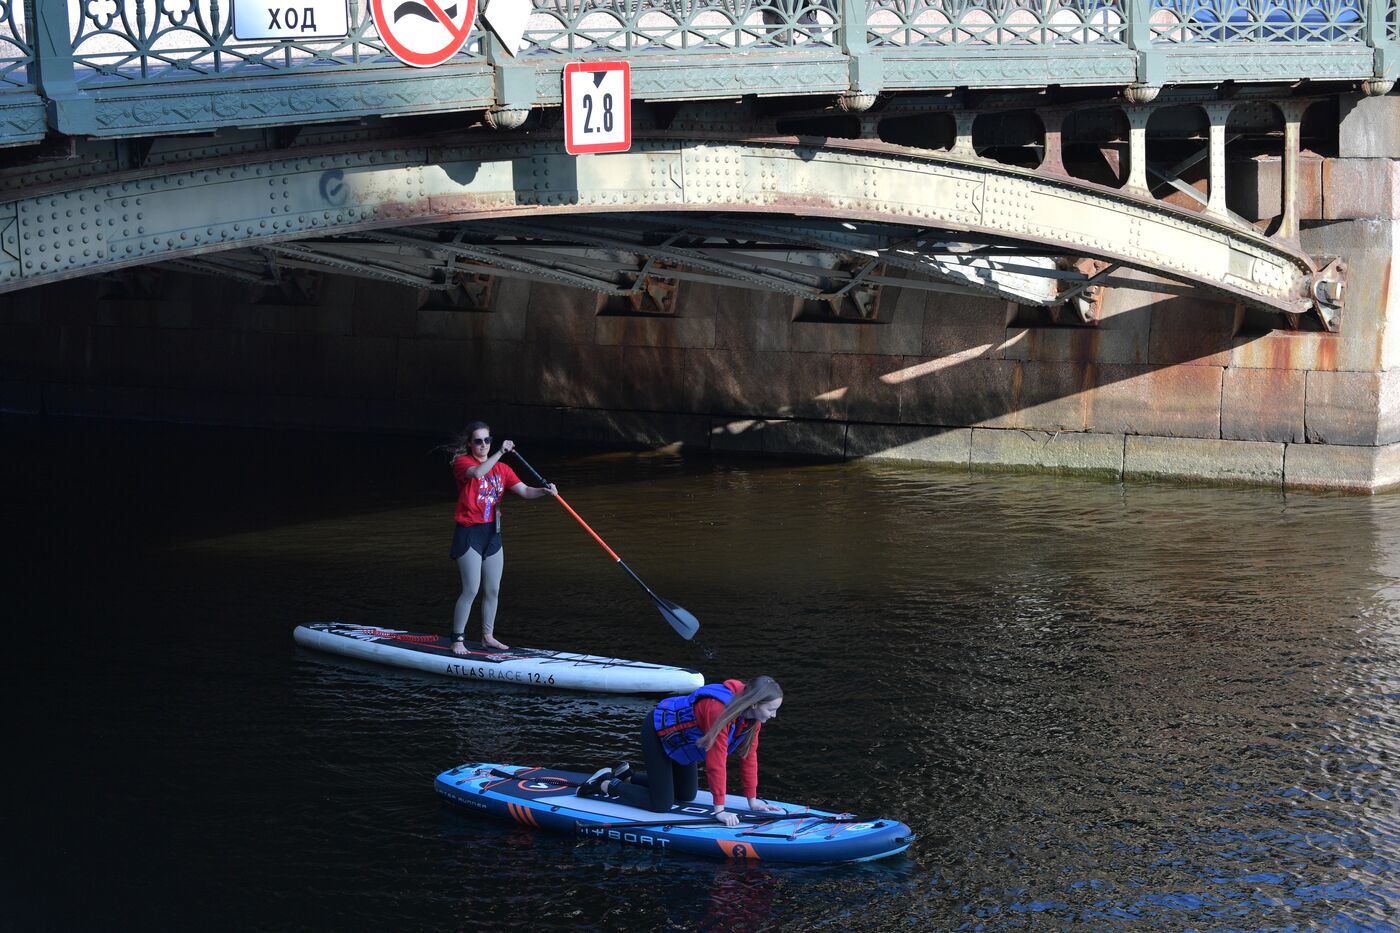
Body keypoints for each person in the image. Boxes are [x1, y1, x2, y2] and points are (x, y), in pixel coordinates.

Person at [580, 677, 785, 827]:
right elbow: (716, 762)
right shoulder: (719, 710)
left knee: (686, 794)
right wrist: (719, 810)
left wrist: (752, 800)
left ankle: (628, 777)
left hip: (685, 745)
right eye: (771, 710)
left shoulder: (752, 718)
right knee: (661, 804)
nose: (774, 716)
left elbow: (749, 756)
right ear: (755, 703)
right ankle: (606, 783)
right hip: (659, 732)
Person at [447, 421, 556, 652]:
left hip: (492, 534)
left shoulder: (502, 470)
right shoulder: (462, 463)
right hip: (469, 533)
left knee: (493, 589)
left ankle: (488, 636)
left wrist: (544, 492)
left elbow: (525, 490)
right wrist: (500, 452)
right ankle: (458, 639)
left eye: (487, 440)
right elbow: (478, 472)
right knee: (471, 589)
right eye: (478, 441)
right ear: (470, 444)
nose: (483, 445)